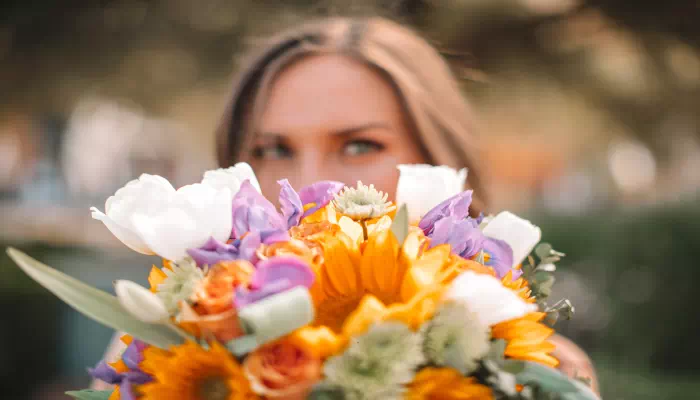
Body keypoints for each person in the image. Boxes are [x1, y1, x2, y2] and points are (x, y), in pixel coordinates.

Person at [215, 16, 599, 393]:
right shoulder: (192, 362)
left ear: (437, 160)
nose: (309, 188)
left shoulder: (533, 376)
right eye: (274, 150)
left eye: (360, 145)